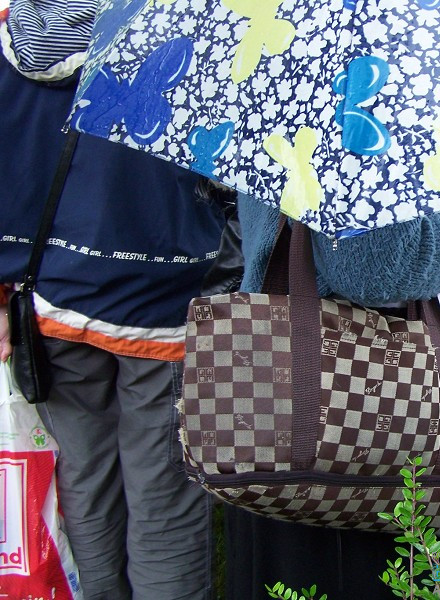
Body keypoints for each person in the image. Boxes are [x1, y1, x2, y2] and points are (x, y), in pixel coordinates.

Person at [222, 192, 440, 599]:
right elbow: (376, 265)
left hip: (293, 349)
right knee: (384, 558)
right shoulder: (361, 131)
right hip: (371, 363)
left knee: (293, 532)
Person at [0, 2, 226, 598]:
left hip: (49, 303)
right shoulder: (182, 35)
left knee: (85, 483)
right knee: (163, 499)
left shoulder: (10, 38)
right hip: (165, 310)